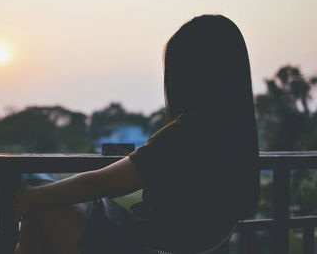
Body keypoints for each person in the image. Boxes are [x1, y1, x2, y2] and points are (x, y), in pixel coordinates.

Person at [14, 14, 259, 254]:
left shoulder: (186, 135)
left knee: (41, 203)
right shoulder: (236, 137)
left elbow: (99, 182)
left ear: (190, 74)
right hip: (189, 244)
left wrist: (31, 194)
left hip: (148, 245)